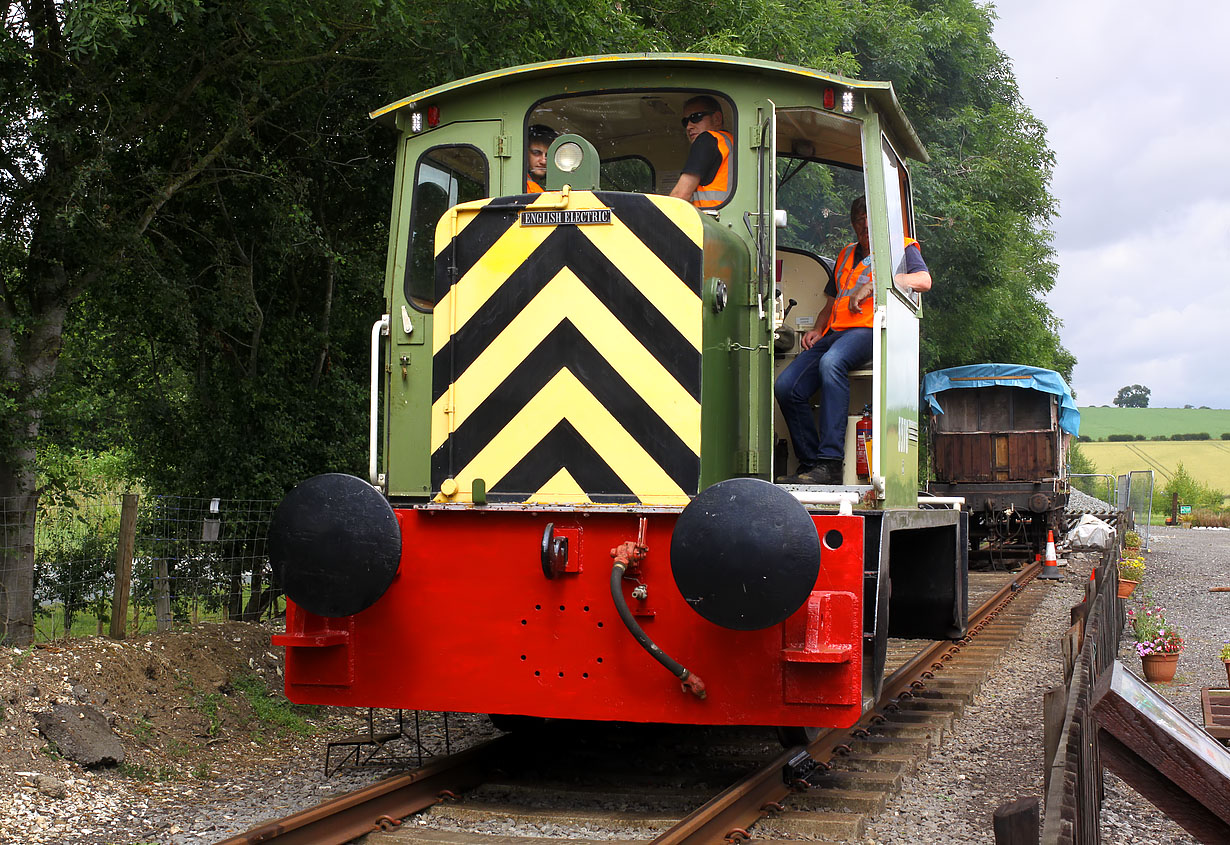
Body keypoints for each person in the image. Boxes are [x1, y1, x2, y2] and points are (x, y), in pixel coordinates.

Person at [774, 196, 932, 485]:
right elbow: (833, 300)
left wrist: (877, 284)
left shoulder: (901, 248)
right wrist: (819, 328)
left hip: (871, 329)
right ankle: (811, 464)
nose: (865, 227)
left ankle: (831, 462)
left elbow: (923, 280)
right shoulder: (846, 254)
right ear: (853, 224)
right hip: (835, 332)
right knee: (786, 386)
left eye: (869, 220)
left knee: (832, 363)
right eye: (859, 222)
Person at [668, 96, 732, 208]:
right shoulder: (731, 142)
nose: (688, 126)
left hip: (707, 222)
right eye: (685, 121)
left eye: (696, 117)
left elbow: (680, 196)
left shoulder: (707, 139)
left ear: (717, 118)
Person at [526, 124, 557, 193]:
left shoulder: (558, 185)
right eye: (536, 153)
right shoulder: (518, 183)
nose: (543, 161)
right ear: (525, 153)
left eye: (548, 155)